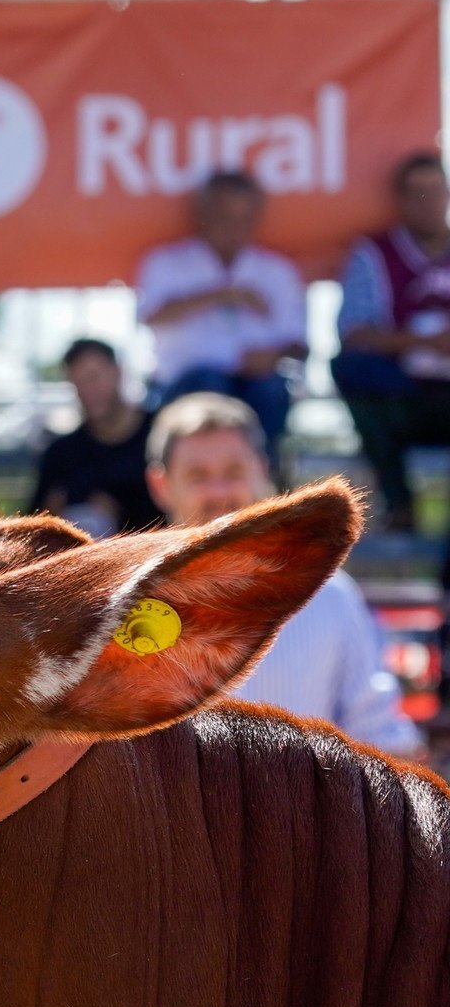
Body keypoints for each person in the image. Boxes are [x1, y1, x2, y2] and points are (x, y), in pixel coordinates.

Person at [145, 394, 421, 757]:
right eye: (198, 476)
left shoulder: (329, 595)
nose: (220, 492)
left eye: (234, 472)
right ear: (160, 485)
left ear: (262, 470)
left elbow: (383, 741)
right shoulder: (126, 606)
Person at [134, 169, 306, 453]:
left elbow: (299, 345)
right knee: (208, 385)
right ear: (202, 213)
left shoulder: (277, 270)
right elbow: (151, 316)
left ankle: (258, 472)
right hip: (184, 386)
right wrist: (224, 293)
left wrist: (272, 356)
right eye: (224, 217)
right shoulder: (165, 262)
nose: (234, 228)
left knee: (271, 389)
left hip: (256, 387)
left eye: (244, 218)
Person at [332, 151, 450, 531]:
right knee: (352, 368)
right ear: (400, 200)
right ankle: (399, 505)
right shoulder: (374, 253)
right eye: (417, 193)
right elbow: (353, 333)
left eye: (435, 190)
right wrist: (422, 342)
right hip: (404, 396)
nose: (428, 202)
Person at [29, 338, 159, 536]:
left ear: (118, 372)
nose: (88, 390)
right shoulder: (61, 454)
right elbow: (34, 527)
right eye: (78, 382)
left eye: (93, 376)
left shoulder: (163, 434)